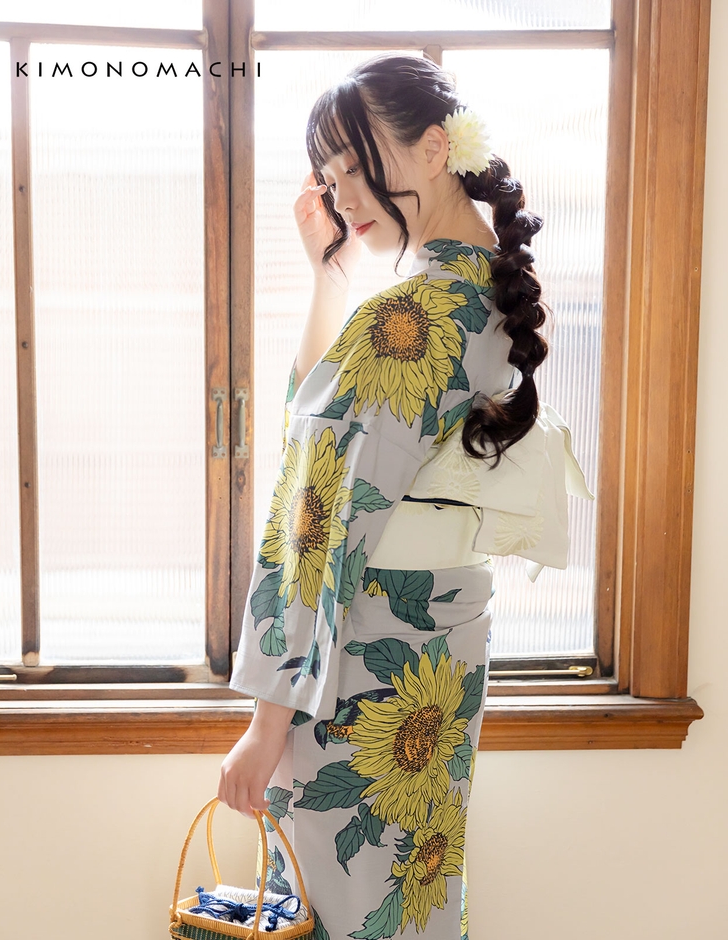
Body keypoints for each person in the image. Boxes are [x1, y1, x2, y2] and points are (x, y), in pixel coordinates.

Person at [218, 52, 559, 940]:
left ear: (435, 148)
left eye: (355, 165)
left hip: (354, 675)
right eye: (329, 175)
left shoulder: (408, 320)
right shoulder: (490, 298)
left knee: (338, 911)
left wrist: (267, 719)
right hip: (435, 664)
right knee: (410, 904)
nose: (341, 194)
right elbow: (328, 433)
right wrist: (331, 277)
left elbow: (318, 511)